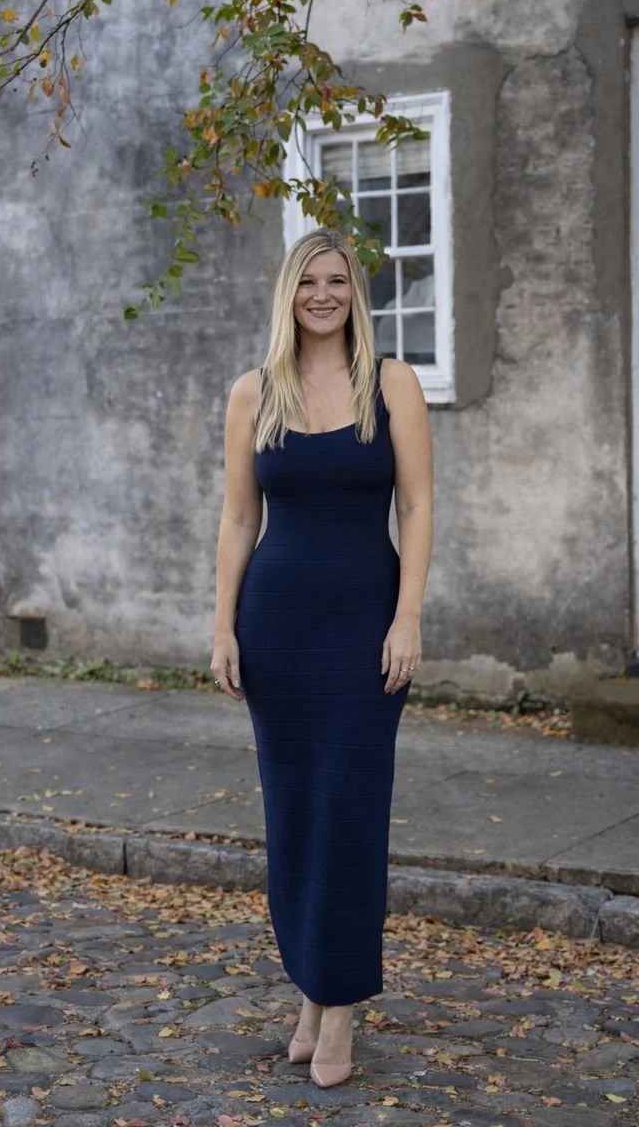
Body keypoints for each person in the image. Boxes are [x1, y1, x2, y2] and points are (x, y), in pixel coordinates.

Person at [211, 227, 434, 1088]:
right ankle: (312, 990)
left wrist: (407, 616)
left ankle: (339, 1010)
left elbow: (415, 508)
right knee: (296, 814)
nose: (322, 294)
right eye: (308, 281)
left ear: (355, 293)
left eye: (337, 280)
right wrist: (224, 626)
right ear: (287, 293)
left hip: (365, 626)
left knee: (349, 810)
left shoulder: (393, 384)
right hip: (277, 629)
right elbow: (238, 520)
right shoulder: (252, 392)